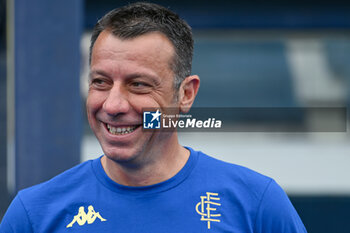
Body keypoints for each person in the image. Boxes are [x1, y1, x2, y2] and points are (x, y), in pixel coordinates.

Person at [0, 2, 307, 232]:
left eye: (139, 85)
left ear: (186, 94)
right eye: (100, 82)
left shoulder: (256, 205)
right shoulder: (34, 215)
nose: (114, 104)